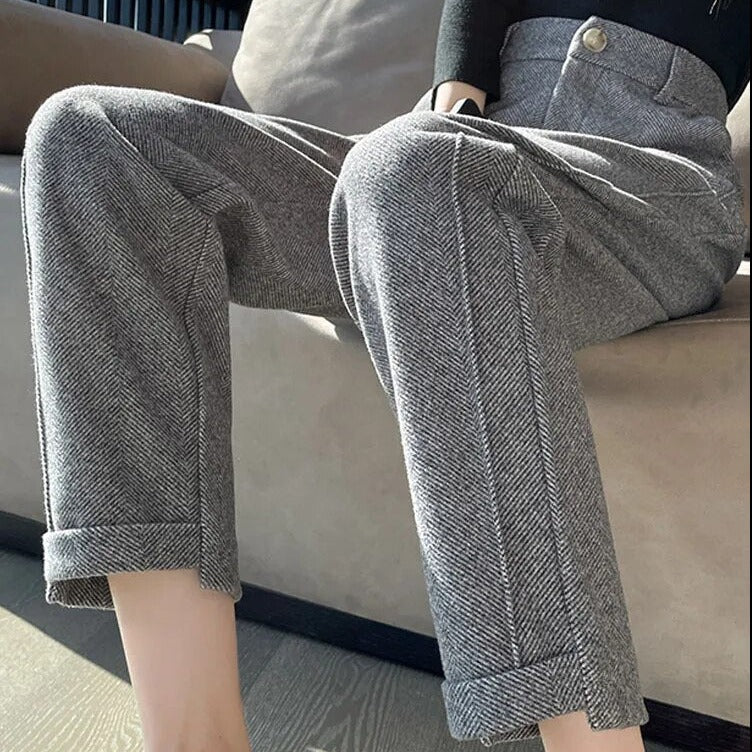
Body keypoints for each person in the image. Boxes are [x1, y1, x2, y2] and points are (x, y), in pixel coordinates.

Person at [20, 0, 749, 750]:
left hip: (649, 177)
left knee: (414, 170)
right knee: (92, 139)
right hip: (460, 150)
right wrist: (455, 96)